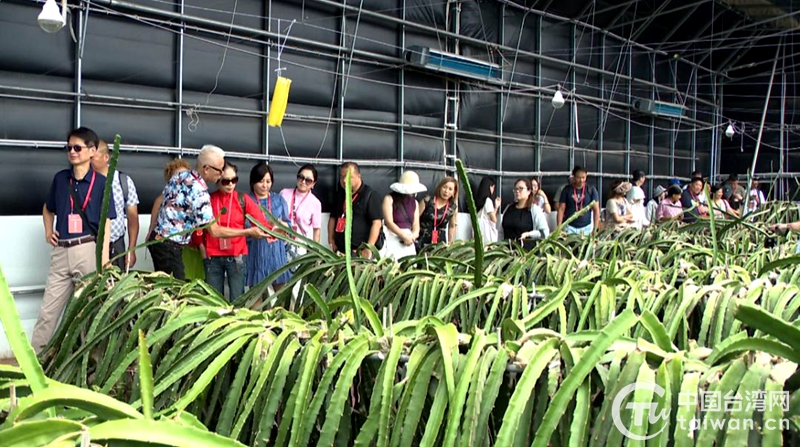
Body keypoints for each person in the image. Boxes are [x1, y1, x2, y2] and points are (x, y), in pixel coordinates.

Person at [34, 127, 116, 353]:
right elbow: (48, 208)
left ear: (92, 151)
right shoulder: (61, 179)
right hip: (61, 250)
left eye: (77, 148)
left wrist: (103, 258)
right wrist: (48, 231)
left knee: (88, 312)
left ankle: (90, 364)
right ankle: (35, 361)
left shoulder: (102, 183)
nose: (72, 151)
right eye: (69, 147)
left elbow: (106, 222)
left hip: (87, 248)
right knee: (48, 311)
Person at [149, 145, 267, 279]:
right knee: (175, 288)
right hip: (169, 246)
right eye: (219, 170)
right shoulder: (200, 192)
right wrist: (248, 232)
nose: (221, 174)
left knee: (164, 285)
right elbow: (214, 231)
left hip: (157, 240)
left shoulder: (181, 175)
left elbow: (162, 199)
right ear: (206, 169)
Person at [202, 162, 268, 301]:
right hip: (213, 256)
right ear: (217, 180)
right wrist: (203, 250)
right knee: (214, 301)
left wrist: (275, 229)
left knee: (237, 300)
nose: (231, 184)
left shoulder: (242, 199)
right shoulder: (208, 200)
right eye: (226, 181)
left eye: (234, 180)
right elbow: (199, 229)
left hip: (236, 254)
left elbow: (261, 222)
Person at [91, 140, 140, 270]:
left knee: (116, 280)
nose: (89, 160)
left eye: (93, 157)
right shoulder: (84, 181)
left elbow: (133, 217)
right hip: (90, 244)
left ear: (106, 157)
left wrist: (131, 249)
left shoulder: (123, 181)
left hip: (116, 244)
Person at [246, 162, 291, 291]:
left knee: (281, 293)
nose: (265, 185)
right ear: (253, 181)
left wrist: (280, 224)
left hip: (277, 253)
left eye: (268, 181)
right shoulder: (246, 200)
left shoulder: (279, 200)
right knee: (256, 294)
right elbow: (243, 227)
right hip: (256, 252)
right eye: (261, 181)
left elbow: (289, 226)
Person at [328, 162, 384, 258]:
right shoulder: (339, 195)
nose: (344, 180)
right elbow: (333, 218)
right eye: (342, 177)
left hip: (360, 253)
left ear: (359, 176)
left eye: (348, 177)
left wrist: (369, 247)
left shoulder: (370, 195)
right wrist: (331, 240)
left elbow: (377, 223)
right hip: (340, 251)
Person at [279, 164, 322, 262]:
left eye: (308, 180)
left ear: (313, 184)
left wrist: (315, 253)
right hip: (281, 241)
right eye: (301, 177)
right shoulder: (284, 193)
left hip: (299, 245)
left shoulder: (315, 203)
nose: (303, 182)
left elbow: (316, 230)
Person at [381, 171, 426, 259]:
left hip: (409, 241)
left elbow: (416, 226)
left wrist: (412, 236)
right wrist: (403, 236)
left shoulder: (415, 203)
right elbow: (389, 222)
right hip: (392, 238)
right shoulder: (389, 199)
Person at [500, 179, 550, 249]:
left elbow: (544, 232)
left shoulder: (535, 210)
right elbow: (501, 231)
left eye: (521, 188)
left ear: (529, 191)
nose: (517, 191)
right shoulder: (508, 208)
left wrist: (529, 234)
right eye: (515, 189)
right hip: (507, 251)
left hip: (526, 251)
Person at [557, 166, 600, 235]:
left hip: (586, 228)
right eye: (578, 178)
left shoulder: (591, 190)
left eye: (583, 177)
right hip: (569, 227)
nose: (581, 180)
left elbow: (596, 210)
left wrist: (596, 228)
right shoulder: (566, 190)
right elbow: (561, 209)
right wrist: (559, 228)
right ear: (573, 177)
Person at [418, 177, 459, 248]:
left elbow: (452, 226)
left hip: (440, 243)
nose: (446, 191)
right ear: (440, 187)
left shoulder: (453, 207)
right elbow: (415, 219)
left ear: (454, 192)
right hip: (421, 240)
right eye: (444, 187)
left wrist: (450, 243)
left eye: (450, 189)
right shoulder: (427, 201)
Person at [474, 177, 500, 244]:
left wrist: (495, 207)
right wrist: (496, 207)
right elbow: (493, 219)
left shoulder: (479, 202)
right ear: (490, 187)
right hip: (486, 236)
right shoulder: (488, 200)